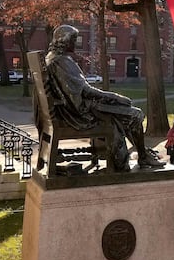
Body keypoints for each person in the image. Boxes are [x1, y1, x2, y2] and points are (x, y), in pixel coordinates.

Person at [43, 24, 163, 170]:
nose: (76, 43)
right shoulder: (62, 61)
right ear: (65, 40)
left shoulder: (52, 58)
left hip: (69, 110)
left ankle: (143, 155)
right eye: (74, 39)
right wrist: (116, 97)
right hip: (80, 113)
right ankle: (141, 158)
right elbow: (87, 91)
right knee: (135, 114)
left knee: (128, 114)